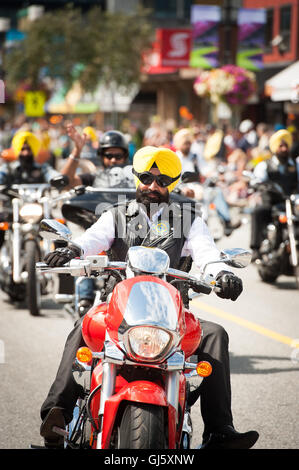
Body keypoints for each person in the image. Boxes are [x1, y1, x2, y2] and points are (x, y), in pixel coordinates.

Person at [40, 143, 259, 450]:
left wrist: (221, 272)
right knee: (84, 324)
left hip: (172, 314)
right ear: (136, 178)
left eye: (162, 180)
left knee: (214, 335)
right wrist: (72, 249)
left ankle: (220, 429)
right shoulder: (115, 215)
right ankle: (58, 412)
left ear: (172, 183)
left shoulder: (189, 219)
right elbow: (92, 239)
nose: (153, 186)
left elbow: (207, 252)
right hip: (117, 309)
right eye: (146, 177)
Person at [60, 125, 134, 314]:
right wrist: (77, 150)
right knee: (86, 247)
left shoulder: (135, 179)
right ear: (101, 156)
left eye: (118, 156)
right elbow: (66, 181)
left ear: (126, 156)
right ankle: (84, 298)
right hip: (98, 231)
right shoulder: (93, 177)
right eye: (109, 156)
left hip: (129, 232)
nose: (113, 160)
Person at [250, 129, 299, 261]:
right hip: (272, 203)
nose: (284, 149)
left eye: (286, 146)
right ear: (274, 148)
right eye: (281, 146)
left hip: (291, 203)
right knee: (258, 212)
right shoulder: (264, 165)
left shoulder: (296, 164)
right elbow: (256, 180)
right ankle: (256, 249)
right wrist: (258, 184)